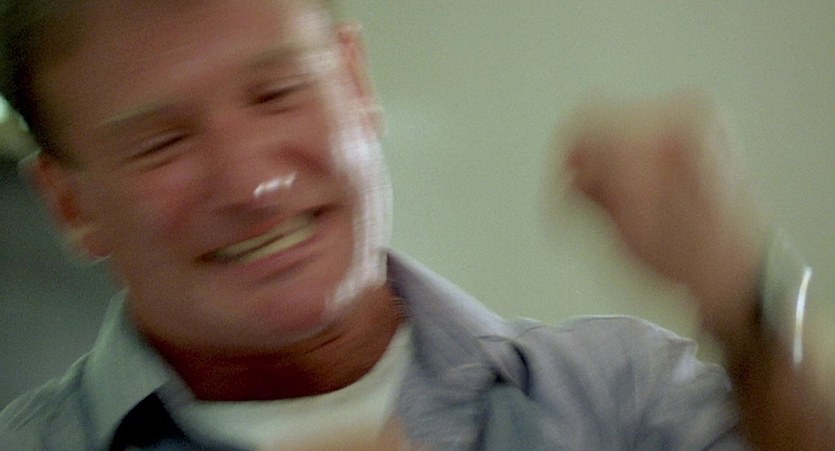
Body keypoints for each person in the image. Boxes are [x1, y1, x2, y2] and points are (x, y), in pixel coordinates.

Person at [0, 0, 831, 449]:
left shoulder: (617, 394)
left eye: (278, 92)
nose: (253, 183)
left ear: (356, 84)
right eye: (162, 142)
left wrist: (745, 297)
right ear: (71, 204)